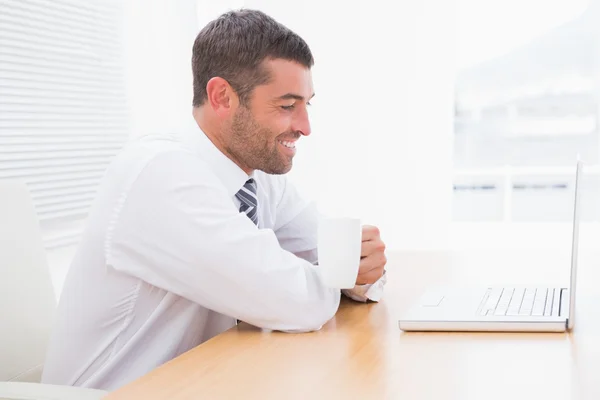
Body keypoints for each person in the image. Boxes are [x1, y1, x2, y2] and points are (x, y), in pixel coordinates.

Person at [41, 9, 387, 391]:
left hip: (201, 384)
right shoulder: (161, 174)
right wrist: (338, 275)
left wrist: (358, 271)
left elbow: (333, 256)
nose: (305, 126)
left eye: (308, 104)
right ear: (222, 96)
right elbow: (293, 302)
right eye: (288, 106)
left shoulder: (254, 174)